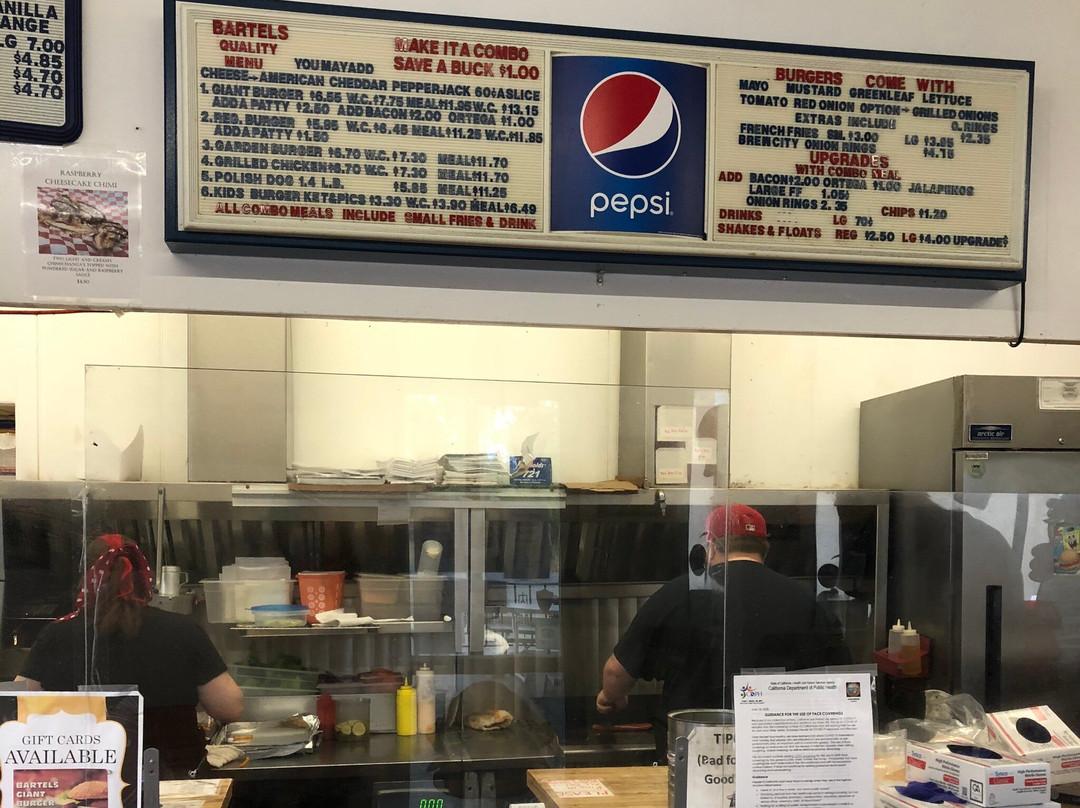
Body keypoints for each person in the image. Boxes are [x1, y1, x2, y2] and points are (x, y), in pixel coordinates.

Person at [595, 504, 849, 759]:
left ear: (712, 546)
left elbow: (615, 673)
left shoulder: (678, 594)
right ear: (764, 550)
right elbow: (843, 682)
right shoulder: (805, 602)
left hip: (695, 748)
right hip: (776, 751)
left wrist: (611, 697)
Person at [14, 534, 243, 779]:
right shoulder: (183, 630)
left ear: (86, 577)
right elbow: (229, 707)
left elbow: (15, 707)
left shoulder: (57, 634)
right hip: (173, 778)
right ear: (143, 577)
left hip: (87, 784)